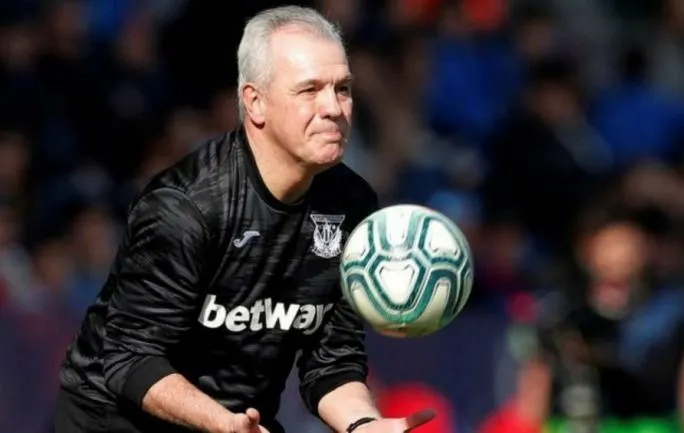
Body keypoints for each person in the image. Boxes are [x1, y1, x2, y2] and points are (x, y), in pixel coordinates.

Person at [53, 6, 433, 433]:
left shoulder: (352, 204)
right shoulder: (186, 205)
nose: (333, 107)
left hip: (241, 424)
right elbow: (129, 358)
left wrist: (362, 424)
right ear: (255, 102)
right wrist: (222, 423)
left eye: (342, 88)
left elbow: (332, 360)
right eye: (309, 90)